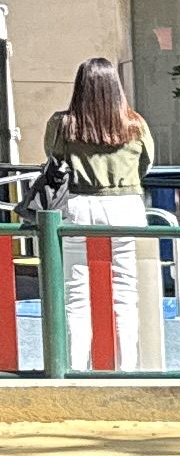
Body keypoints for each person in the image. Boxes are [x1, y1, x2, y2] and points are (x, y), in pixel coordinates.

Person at [44, 58, 157, 370]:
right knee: (124, 291)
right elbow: (145, 164)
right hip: (125, 207)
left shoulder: (63, 124)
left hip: (80, 205)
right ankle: (126, 367)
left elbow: (53, 161)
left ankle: (74, 367)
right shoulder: (136, 125)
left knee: (76, 293)